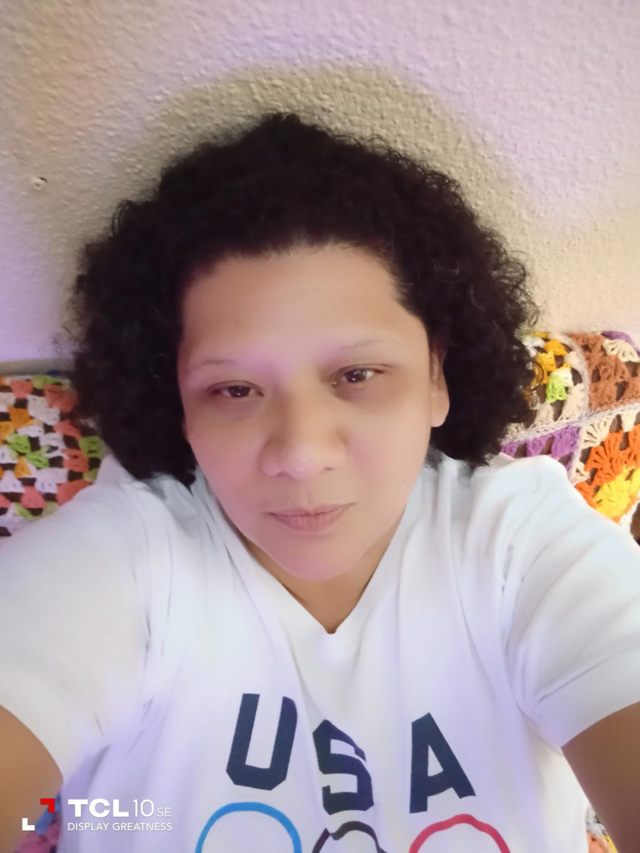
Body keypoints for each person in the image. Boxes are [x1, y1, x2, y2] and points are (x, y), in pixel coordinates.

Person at [1, 110, 639, 853]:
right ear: (176, 401)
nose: (300, 454)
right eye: (234, 390)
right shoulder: (123, 562)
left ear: (437, 376)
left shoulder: (521, 545)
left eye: (357, 375)